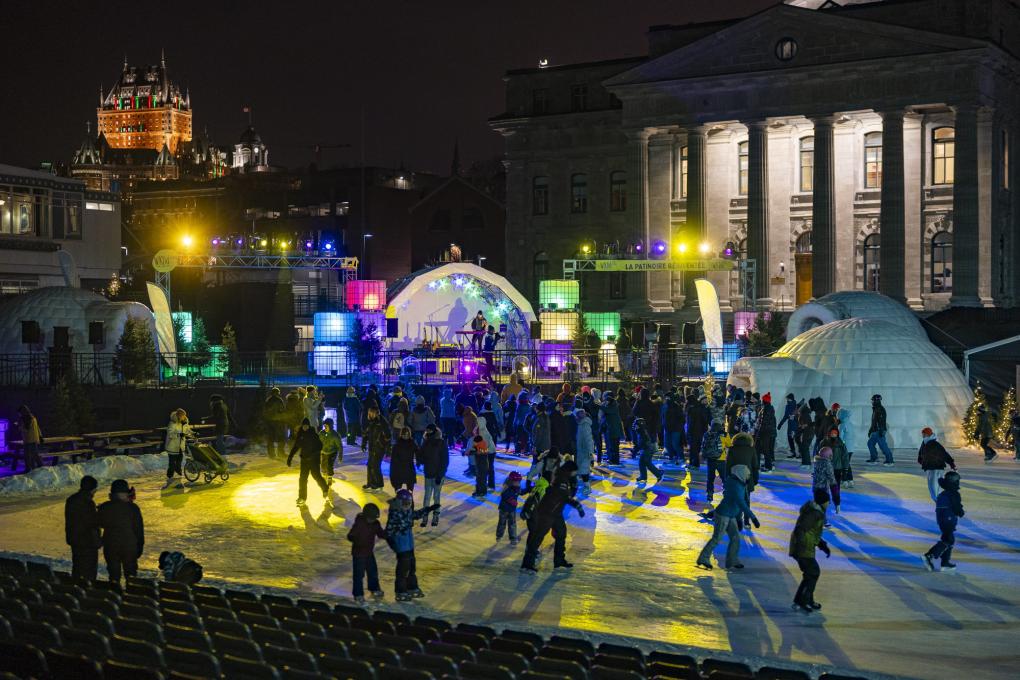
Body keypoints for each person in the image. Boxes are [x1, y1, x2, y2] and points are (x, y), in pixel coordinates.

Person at [520, 461, 585, 573]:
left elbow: (563, 496)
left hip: (556, 512)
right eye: (575, 471)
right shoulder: (561, 480)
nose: (576, 474)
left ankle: (559, 561)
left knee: (561, 534)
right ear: (570, 470)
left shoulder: (562, 477)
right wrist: (577, 505)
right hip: (547, 512)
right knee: (538, 537)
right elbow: (564, 496)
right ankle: (527, 564)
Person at [696, 464, 759, 570]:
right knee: (717, 538)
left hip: (731, 515)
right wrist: (753, 518)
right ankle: (703, 558)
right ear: (741, 474)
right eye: (747, 474)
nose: (748, 476)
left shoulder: (740, 483)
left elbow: (740, 503)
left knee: (735, 538)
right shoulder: (736, 486)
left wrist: (739, 518)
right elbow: (741, 503)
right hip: (723, 515)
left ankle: (732, 561)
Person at [385, 489, 438, 601]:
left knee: (411, 567)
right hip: (401, 546)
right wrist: (393, 543)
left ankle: (412, 587)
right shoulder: (395, 513)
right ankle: (400, 591)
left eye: (409, 504)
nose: (407, 506)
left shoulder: (406, 511)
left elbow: (414, 515)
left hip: (408, 544)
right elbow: (388, 531)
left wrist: (428, 509)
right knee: (403, 570)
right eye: (405, 504)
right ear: (399, 502)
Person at [789, 488, 832, 612]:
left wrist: (823, 546)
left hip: (805, 547)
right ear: (823, 502)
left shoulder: (816, 512)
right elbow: (800, 529)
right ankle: (803, 601)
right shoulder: (814, 513)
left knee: (811, 574)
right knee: (812, 572)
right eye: (828, 502)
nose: (829, 504)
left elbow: (813, 534)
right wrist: (801, 545)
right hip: (803, 548)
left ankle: (804, 600)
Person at [98, 479, 144, 586]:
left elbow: (99, 524)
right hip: (129, 548)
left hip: (110, 547)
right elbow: (138, 530)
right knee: (131, 577)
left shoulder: (105, 507)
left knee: (113, 577)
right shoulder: (133, 508)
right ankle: (131, 598)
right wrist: (139, 547)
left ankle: (115, 596)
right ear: (123, 493)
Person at [922, 471, 964, 572]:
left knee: (948, 539)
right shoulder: (953, 494)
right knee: (948, 540)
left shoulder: (943, 494)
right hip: (948, 519)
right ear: (954, 482)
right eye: (957, 481)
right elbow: (956, 506)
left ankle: (945, 563)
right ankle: (930, 555)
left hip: (942, 519)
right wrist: (960, 512)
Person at [347, 503, 386, 604]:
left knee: (373, 571)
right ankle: (358, 594)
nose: (373, 520)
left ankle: (374, 588)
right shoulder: (359, 523)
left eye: (374, 518)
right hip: (358, 553)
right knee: (359, 575)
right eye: (371, 518)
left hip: (369, 552)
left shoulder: (375, 524)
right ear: (366, 516)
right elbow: (350, 535)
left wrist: (389, 534)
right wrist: (354, 538)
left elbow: (381, 533)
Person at [65, 475, 101, 581]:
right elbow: (92, 523)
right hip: (88, 542)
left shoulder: (71, 500)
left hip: (74, 539)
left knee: (77, 567)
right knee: (89, 571)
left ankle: (77, 586)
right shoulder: (88, 503)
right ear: (93, 489)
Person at [287, 418, 330, 507]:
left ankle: (325, 489)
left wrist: (313, 455)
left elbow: (320, 446)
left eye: (306, 426)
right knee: (302, 479)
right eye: (304, 426)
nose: (305, 427)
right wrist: (290, 457)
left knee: (316, 476)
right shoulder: (300, 434)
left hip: (313, 460)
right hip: (304, 460)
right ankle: (302, 497)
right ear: (302, 426)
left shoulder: (313, 434)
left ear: (309, 426)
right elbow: (296, 446)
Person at [417, 424, 448, 527]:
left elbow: (444, 461)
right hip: (428, 473)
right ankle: (425, 516)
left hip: (438, 474)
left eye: (430, 431)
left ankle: (436, 515)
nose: (428, 433)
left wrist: (440, 475)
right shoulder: (425, 443)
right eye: (427, 431)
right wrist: (419, 459)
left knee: (436, 496)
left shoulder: (441, 443)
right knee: (427, 496)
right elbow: (421, 456)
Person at [918, 427, 956, 502]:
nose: (923, 436)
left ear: (928, 434)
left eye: (924, 434)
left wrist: (951, 463)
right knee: (932, 487)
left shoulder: (935, 444)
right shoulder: (924, 443)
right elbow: (921, 453)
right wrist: (920, 459)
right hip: (929, 467)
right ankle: (940, 501)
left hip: (936, 468)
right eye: (923, 434)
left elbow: (944, 454)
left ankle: (942, 502)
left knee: (935, 487)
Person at [162, 409, 193, 489]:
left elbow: (187, 430)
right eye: (183, 415)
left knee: (179, 463)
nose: (184, 417)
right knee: (172, 464)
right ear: (179, 415)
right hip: (172, 447)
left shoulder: (184, 423)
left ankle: (178, 479)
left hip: (180, 447)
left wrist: (192, 433)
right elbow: (170, 434)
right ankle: (170, 477)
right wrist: (179, 435)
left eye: (184, 415)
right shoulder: (172, 423)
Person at [363, 407, 390, 491]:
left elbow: (388, 436)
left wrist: (383, 445)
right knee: (370, 465)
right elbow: (367, 433)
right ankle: (370, 483)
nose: (369, 414)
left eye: (371, 412)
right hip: (372, 447)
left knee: (375, 466)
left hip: (379, 448)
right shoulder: (372, 422)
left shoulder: (381, 422)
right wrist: (364, 443)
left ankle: (378, 484)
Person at [632, 417, 663, 486]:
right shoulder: (641, 431)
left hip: (647, 449)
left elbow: (642, 443)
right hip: (646, 449)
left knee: (647, 463)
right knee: (642, 463)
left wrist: (636, 450)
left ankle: (658, 473)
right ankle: (643, 476)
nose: (634, 427)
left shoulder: (643, 432)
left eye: (636, 425)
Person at [866, 394, 894, 466]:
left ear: (877, 400)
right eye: (872, 400)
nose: (872, 401)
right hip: (875, 431)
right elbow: (874, 422)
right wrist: (870, 430)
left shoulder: (880, 409)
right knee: (870, 443)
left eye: (873, 400)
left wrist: (881, 430)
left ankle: (890, 460)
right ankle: (874, 458)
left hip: (879, 431)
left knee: (883, 446)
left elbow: (881, 421)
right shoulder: (875, 409)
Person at [812, 447, 838, 523]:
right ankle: (822, 520)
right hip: (823, 488)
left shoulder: (817, 461)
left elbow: (816, 473)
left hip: (815, 487)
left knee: (818, 503)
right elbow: (831, 477)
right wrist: (835, 486)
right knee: (823, 505)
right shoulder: (827, 464)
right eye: (831, 455)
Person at [497, 471, 523, 544]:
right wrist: (512, 501)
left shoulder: (517, 487)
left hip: (512, 510)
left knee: (512, 524)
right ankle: (499, 536)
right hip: (504, 509)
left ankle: (513, 538)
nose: (518, 483)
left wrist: (529, 489)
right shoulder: (507, 488)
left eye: (519, 481)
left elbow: (521, 492)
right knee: (502, 523)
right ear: (512, 481)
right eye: (517, 481)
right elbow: (505, 496)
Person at [389, 427, 418, 494]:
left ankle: (408, 503)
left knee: (407, 493)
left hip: (405, 471)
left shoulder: (411, 444)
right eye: (404, 434)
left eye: (407, 435)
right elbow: (393, 462)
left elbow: (419, 454)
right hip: (403, 471)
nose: (406, 436)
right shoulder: (397, 446)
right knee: (403, 494)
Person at [702, 420, 724, 504]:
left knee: (710, 478)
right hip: (721, 459)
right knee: (723, 478)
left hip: (710, 459)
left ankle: (709, 495)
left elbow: (703, 445)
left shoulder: (706, 434)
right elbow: (727, 445)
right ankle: (726, 494)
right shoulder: (723, 434)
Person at [686, 395, 711, 468]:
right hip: (700, 431)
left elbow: (690, 422)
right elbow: (705, 420)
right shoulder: (701, 408)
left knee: (694, 448)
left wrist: (688, 432)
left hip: (694, 431)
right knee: (696, 448)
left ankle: (694, 463)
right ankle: (693, 463)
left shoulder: (692, 409)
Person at [600, 392, 624, 466]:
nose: (604, 401)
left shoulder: (613, 406)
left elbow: (608, 411)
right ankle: (611, 459)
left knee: (614, 446)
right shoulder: (610, 405)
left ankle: (614, 460)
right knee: (611, 445)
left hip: (613, 430)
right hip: (610, 429)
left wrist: (599, 406)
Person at [574, 409, 595, 495]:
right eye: (579, 413)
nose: (582, 414)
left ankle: (587, 487)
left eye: (582, 412)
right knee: (582, 470)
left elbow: (589, 439)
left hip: (585, 451)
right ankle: (585, 485)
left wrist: (590, 451)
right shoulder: (579, 423)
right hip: (580, 450)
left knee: (584, 470)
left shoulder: (585, 424)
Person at [662, 395, 686, 466]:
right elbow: (663, 416)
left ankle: (681, 458)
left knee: (675, 444)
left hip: (675, 429)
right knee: (667, 444)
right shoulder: (665, 407)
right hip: (668, 428)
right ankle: (671, 457)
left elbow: (682, 418)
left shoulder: (676, 407)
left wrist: (678, 426)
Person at [319, 418, 344, 488]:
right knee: (323, 465)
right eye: (324, 426)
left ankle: (329, 477)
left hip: (332, 452)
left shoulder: (335, 435)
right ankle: (324, 476)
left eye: (327, 426)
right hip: (323, 452)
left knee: (329, 465)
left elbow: (340, 446)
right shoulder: (322, 433)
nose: (325, 428)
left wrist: (340, 456)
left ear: (331, 426)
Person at [263, 387, 287, 459]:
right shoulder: (279, 400)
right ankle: (280, 453)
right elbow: (282, 410)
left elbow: (265, 411)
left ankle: (271, 454)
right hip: (278, 421)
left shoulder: (268, 400)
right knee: (281, 438)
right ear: (277, 393)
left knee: (270, 438)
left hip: (270, 421)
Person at [17, 405, 42, 471]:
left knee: (28, 456)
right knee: (34, 455)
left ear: (22, 412)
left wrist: (19, 427)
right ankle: (39, 468)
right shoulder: (32, 417)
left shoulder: (25, 419)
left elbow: (26, 429)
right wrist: (40, 436)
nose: (19, 414)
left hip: (29, 440)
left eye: (19, 413)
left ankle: (29, 469)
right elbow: (37, 428)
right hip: (34, 439)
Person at [757, 393, 778, 472]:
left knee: (766, 449)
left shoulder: (766, 410)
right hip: (768, 432)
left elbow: (763, 422)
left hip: (765, 432)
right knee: (767, 449)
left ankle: (768, 466)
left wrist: (759, 430)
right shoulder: (769, 409)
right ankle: (768, 464)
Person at [796, 403, 814, 468]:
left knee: (805, 448)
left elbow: (807, 424)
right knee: (804, 448)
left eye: (797, 408)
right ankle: (805, 463)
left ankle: (807, 464)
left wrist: (802, 426)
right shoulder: (804, 414)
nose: (796, 410)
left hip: (808, 433)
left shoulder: (804, 415)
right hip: (808, 433)